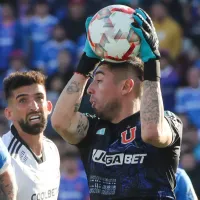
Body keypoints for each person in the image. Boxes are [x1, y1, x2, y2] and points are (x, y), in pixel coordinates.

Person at [51, 8, 183, 199]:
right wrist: (86, 63)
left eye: (99, 80)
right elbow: (60, 122)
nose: (89, 89)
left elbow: (152, 131)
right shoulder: (94, 129)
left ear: (126, 87)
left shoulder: (168, 122)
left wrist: (152, 63)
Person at [2, 71, 60, 200]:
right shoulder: (4, 156)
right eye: (23, 100)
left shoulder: (52, 150)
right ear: (9, 113)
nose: (34, 106)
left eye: (39, 98)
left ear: (49, 107)